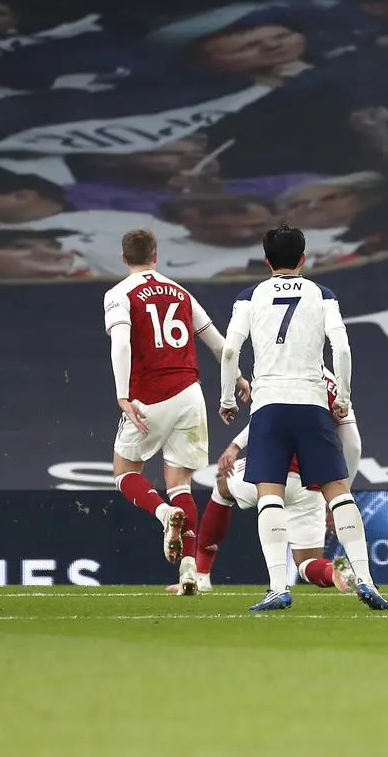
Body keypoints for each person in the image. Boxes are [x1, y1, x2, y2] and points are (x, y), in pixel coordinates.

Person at [218, 223, 388, 612]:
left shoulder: (250, 296)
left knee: (269, 495)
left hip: (269, 405)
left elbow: (230, 352)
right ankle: (366, 578)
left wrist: (228, 400)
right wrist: (342, 397)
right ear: (304, 258)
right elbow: (341, 348)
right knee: (338, 492)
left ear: (265, 260)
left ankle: (279, 587)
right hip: (312, 402)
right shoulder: (321, 293)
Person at [103, 229, 250, 595]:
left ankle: (163, 514)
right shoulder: (180, 292)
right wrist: (238, 379)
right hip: (190, 395)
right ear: (157, 256)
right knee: (180, 485)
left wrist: (123, 395)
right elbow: (219, 341)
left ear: (123, 258)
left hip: (149, 398)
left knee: (125, 473)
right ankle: (188, 571)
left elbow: (121, 343)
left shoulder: (119, 294)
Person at [180, 367, 361, 595]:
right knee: (307, 563)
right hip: (313, 484)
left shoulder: (278, 366)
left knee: (222, 485)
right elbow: (353, 445)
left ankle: (201, 575)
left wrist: (235, 445)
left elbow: (265, 417)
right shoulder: (333, 382)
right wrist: (343, 495)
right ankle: (333, 571)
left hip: (274, 472)